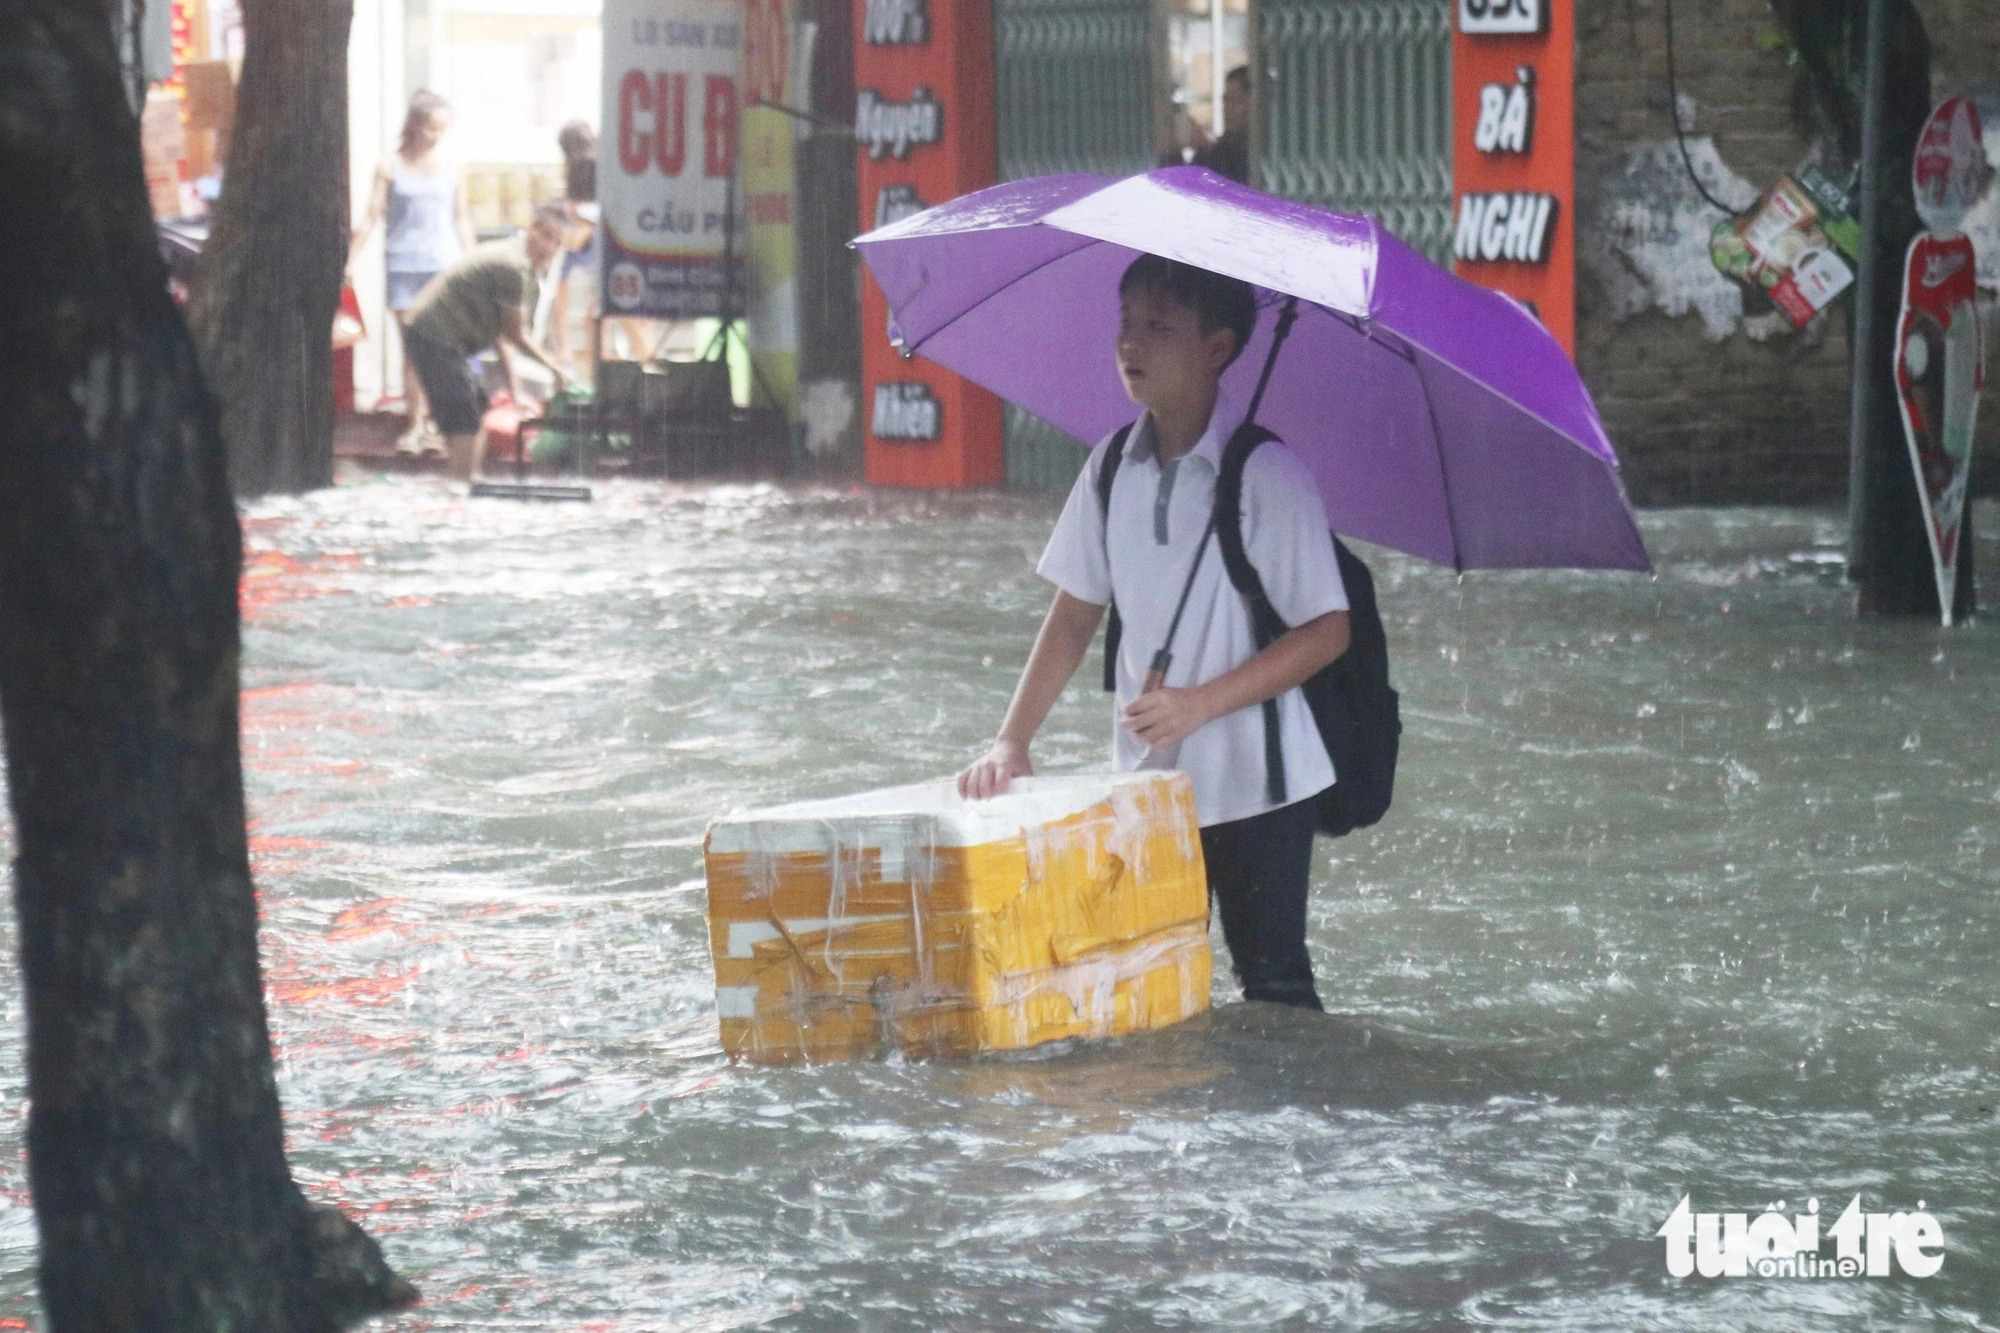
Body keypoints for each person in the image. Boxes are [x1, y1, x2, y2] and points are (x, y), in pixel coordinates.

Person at [958, 256, 1350, 1010]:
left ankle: (1289, 1128)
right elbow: (1074, 617)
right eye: (1126, 323)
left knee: (1272, 988)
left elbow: (1328, 630)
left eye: (1159, 327)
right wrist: (1012, 739)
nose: (1130, 343)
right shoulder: (1110, 468)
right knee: (1150, 990)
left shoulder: (1266, 474)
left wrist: (1201, 703)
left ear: (1218, 349)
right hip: (1147, 782)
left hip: (1260, 786)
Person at [401, 202, 571, 481]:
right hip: (433, 333)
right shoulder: (512, 266)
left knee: (477, 406)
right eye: (546, 237)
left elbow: (502, 335)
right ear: (531, 231)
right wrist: (555, 368)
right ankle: (459, 482)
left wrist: (516, 392)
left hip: (447, 337)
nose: (550, 248)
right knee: (464, 414)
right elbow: (517, 336)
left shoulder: (524, 267)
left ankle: (471, 480)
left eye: (557, 242)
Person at [350, 90, 475, 451]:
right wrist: (351, 258)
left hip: (444, 265)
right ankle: (415, 424)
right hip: (404, 265)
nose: (437, 136)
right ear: (416, 124)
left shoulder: (454, 165)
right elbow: (372, 215)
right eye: (432, 128)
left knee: (443, 346)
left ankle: (438, 424)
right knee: (413, 348)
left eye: (442, 129)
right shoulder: (389, 165)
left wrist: (471, 258)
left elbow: (461, 216)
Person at [1163, 65, 1252, 185]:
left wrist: (1205, 146)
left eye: (1236, 100)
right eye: (1226, 100)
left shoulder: (1255, 151)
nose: (1227, 108)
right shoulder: (1226, 143)